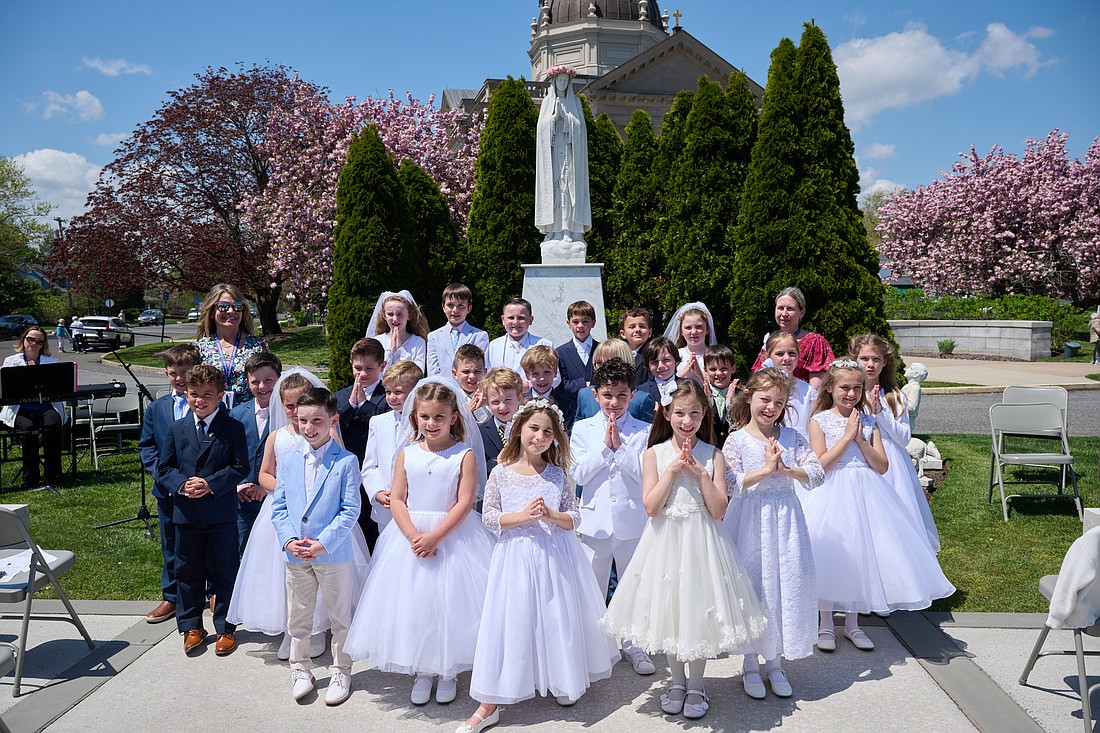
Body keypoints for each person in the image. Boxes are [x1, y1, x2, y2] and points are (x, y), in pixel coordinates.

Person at [601, 380, 767, 720]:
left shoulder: (714, 454)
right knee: (671, 611)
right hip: (665, 541)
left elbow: (719, 509)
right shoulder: (654, 453)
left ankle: (695, 684)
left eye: (694, 413)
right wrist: (673, 470)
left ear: (704, 413)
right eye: (679, 413)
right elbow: (651, 506)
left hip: (702, 540)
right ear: (666, 413)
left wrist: (701, 474)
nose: (686, 420)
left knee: (698, 611)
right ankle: (675, 682)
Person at [457, 399, 619, 733]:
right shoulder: (501, 473)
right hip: (514, 556)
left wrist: (552, 515)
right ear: (518, 430)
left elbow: (573, 516)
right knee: (512, 619)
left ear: (555, 437)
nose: (540, 436)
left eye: (548, 431)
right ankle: (491, 701)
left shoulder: (558, 474)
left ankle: (563, 678)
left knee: (554, 615)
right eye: (534, 428)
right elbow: (488, 516)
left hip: (553, 556)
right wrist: (522, 516)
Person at [344, 378, 493, 707]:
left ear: (453, 417)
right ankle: (424, 669)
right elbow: (397, 499)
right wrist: (414, 536)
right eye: (424, 417)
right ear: (415, 417)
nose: (431, 423)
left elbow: (465, 501)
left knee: (450, 606)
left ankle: (449, 670)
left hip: (452, 536)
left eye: (439, 417)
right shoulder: (407, 453)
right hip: (409, 537)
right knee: (416, 605)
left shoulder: (463, 454)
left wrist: (435, 536)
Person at [803, 360, 954, 653]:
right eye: (844, 387)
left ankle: (852, 624)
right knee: (830, 555)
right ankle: (825, 624)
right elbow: (820, 464)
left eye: (856, 388)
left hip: (867, 493)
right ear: (831, 388)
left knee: (861, 555)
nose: (850, 393)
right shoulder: (819, 421)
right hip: (831, 493)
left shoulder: (869, 421)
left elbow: (882, 465)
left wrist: (860, 438)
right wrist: (846, 437)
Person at [229, 369, 369, 661]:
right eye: (289, 406)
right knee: (286, 577)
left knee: (325, 576)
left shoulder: (328, 435)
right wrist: (287, 488)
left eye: (299, 405)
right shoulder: (277, 437)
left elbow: (341, 477)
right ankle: (291, 631)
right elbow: (265, 473)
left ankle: (319, 629)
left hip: (324, 516)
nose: (294, 412)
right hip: (286, 516)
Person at [723, 369, 824, 700]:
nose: (770, 407)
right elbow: (728, 483)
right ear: (749, 396)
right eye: (764, 399)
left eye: (778, 403)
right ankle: (750, 663)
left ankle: (776, 662)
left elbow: (816, 472)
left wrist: (786, 470)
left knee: (784, 584)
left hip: (785, 520)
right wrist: (766, 470)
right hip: (750, 521)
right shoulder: (737, 440)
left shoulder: (792, 437)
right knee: (755, 585)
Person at [272, 387, 362, 706]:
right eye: (303, 420)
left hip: (331, 552)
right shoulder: (291, 459)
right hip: (296, 553)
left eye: (317, 421)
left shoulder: (346, 461)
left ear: (332, 420)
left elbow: (350, 509)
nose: (309, 427)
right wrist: (288, 539)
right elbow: (279, 505)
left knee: (340, 614)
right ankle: (300, 668)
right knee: (299, 615)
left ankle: (341, 669)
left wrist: (323, 543)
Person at [156, 363, 250, 657]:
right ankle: (191, 625)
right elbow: (165, 467)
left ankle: (225, 626)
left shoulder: (232, 427)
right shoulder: (178, 428)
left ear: (221, 395)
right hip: (186, 512)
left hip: (219, 511)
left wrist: (210, 484)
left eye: (207, 394)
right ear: (186, 394)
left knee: (224, 569)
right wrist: (182, 485)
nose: (200, 400)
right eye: (194, 394)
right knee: (187, 570)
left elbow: (240, 466)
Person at [571, 359, 655, 677]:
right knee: (592, 586)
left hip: (631, 521)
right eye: (607, 395)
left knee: (633, 584)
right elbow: (578, 472)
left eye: (621, 395)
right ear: (595, 394)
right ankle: (595, 646)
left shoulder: (643, 431)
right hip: (594, 523)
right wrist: (605, 449)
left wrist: (621, 448)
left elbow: (645, 477)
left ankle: (635, 643)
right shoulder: (582, 429)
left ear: (632, 395)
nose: (614, 402)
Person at [850, 334, 940, 553]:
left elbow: (903, 438)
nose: (870, 365)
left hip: (890, 462)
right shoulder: (848, 393)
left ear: (885, 362)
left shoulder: (893, 396)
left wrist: (881, 414)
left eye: (876, 359)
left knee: (893, 520)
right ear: (854, 359)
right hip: (856, 459)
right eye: (864, 358)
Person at [138, 343, 202, 624]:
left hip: (202, 488)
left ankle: (210, 592)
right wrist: (164, 477)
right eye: (173, 373)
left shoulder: (206, 404)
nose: (179, 378)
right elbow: (148, 447)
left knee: (208, 542)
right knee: (172, 544)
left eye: (185, 372)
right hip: (168, 490)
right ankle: (172, 596)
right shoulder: (157, 408)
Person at [335, 338, 391, 544]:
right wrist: (351, 406)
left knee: (373, 530)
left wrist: (363, 407)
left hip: (376, 473)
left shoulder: (388, 396)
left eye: (369, 369)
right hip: (348, 470)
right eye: (358, 368)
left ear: (382, 366)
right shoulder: (341, 397)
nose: (363, 374)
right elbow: (332, 427)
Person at [361, 360, 425, 537]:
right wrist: (378, 492)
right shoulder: (378, 422)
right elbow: (370, 466)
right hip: (386, 508)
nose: (391, 397)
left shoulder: (425, 424)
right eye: (388, 392)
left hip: (416, 505)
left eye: (398, 392)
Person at [1, 326, 68, 490]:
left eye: (39, 341)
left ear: (43, 344)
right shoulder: (10, 362)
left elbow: (59, 388)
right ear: (23, 339)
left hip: (46, 405)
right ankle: (30, 478)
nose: (34, 343)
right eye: (30, 339)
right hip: (21, 409)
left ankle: (52, 475)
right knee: (28, 429)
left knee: (53, 425)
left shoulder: (51, 362)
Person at [229, 352, 282, 553]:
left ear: (279, 378)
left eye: (268, 380)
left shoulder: (290, 415)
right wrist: (238, 486)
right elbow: (228, 456)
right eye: (255, 381)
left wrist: (265, 487)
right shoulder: (236, 414)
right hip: (243, 500)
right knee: (242, 550)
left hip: (274, 498)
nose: (262, 387)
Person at [534, 65, 591, 254]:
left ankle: (569, 230)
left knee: (568, 190)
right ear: (553, 81)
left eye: (565, 81)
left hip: (569, 155)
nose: (562, 83)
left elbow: (580, 129)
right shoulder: (546, 104)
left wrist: (566, 119)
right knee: (554, 191)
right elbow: (541, 129)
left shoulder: (575, 102)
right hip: (552, 157)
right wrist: (553, 120)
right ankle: (552, 231)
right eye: (559, 80)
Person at [192, 283, 267, 408]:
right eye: (223, 306)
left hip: (248, 417)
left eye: (237, 306)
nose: (231, 311)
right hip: (211, 417)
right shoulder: (199, 348)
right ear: (211, 312)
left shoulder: (257, 347)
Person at [751, 286, 835, 388]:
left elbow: (816, 387)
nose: (784, 313)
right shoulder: (771, 341)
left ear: (802, 313)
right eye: (780, 308)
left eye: (790, 309)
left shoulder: (814, 342)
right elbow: (757, 377)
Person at [573, 340, 655, 424]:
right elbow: (577, 427)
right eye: (599, 363)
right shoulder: (584, 394)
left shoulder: (640, 399)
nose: (603, 368)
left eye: (609, 363)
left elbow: (647, 431)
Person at [427, 283, 490, 378]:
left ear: (469, 308)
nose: (455, 310)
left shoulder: (479, 335)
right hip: (442, 389)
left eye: (461, 306)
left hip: (469, 388)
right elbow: (433, 370)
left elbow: (481, 368)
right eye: (450, 305)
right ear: (443, 307)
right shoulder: (434, 336)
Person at [762, 331, 816, 440]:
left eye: (791, 353)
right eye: (780, 354)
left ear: (798, 355)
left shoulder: (808, 390)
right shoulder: (761, 386)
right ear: (768, 356)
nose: (786, 358)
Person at [485, 298, 554, 382]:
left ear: (530, 320)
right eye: (511, 317)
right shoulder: (493, 345)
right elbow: (487, 374)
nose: (515, 322)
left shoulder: (544, 344)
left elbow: (555, 377)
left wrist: (529, 385)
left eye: (521, 318)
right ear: (503, 320)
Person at [365, 290, 429, 369]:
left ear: (409, 316)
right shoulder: (377, 341)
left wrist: (400, 350)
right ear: (384, 316)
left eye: (400, 314)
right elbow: (377, 373)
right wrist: (390, 352)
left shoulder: (418, 342)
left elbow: (417, 373)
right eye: (390, 314)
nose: (395, 319)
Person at [478, 367, 523, 478]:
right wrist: (497, 463)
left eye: (508, 400)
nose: (502, 407)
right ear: (487, 402)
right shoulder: (481, 432)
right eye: (495, 402)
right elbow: (478, 468)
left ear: (519, 397)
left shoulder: (529, 427)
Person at [520, 345, 574, 432]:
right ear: (527, 375)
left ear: (555, 373)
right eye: (535, 374)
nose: (542, 378)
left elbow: (568, 434)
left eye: (547, 372)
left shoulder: (567, 405)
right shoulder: (520, 403)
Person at [556, 299, 599, 401]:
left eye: (585, 321)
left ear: (593, 323)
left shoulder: (603, 349)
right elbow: (560, 385)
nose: (580, 326)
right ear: (568, 323)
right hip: (572, 408)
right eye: (575, 322)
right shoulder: (560, 352)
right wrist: (585, 384)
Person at [664, 302, 717, 383]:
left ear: (707, 329)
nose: (694, 332)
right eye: (688, 328)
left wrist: (699, 373)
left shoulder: (714, 355)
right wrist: (686, 370)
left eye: (699, 327)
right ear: (681, 331)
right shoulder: (676, 354)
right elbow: (666, 382)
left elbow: (717, 384)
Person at [703, 344, 737, 447]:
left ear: (733, 368)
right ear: (705, 370)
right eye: (713, 369)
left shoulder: (740, 396)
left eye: (724, 369)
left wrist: (731, 403)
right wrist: (709, 401)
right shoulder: (700, 395)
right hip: (708, 447)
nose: (718, 373)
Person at [639, 336, 680, 410]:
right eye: (654, 362)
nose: (660, 366)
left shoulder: (688, 386)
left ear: (676, 361)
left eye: (666, 360)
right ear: (648, 365)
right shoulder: (641, 391)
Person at [452, 344, 489, 423]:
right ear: (455, 374)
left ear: (485, 372)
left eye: (477, 371)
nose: (472, 376)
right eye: (466, 372)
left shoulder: (491, 397)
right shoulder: (450, 399)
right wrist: (467, 413)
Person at [619, 307, 654, 387]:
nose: (637, 330)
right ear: (623, 334)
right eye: (632, 327)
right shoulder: (619, 354)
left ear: (650, 332)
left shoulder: (653, 354)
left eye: (642, 326)